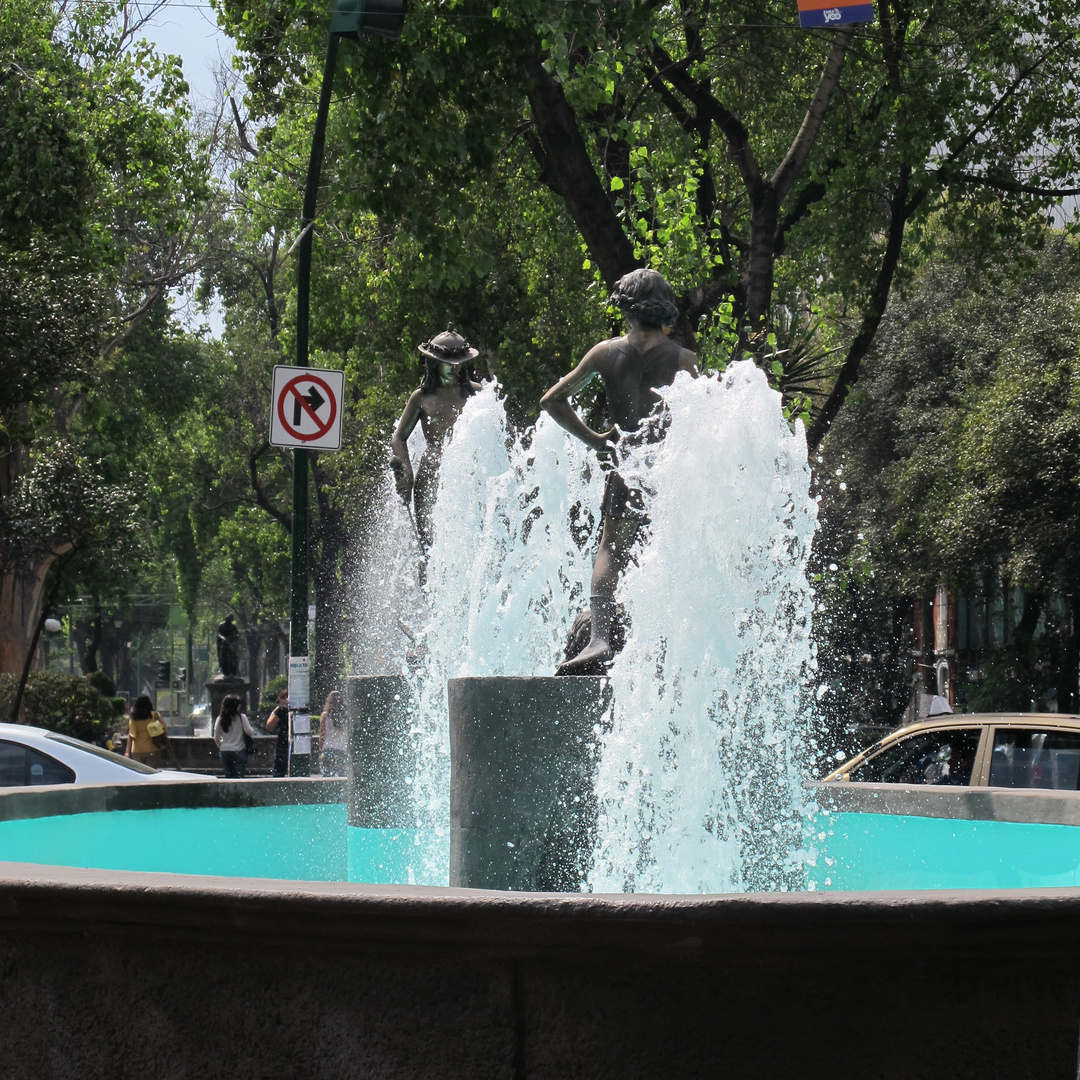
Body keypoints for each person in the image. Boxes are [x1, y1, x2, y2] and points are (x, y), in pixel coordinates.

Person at [540, 268, 698, 675]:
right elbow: (701, 422)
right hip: (669, 473)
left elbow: (552, 400)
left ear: (626, 305)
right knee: (670, 547)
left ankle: (601, 638)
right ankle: (669, 634)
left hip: (627, 465)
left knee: (611, 547)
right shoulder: (684, 360)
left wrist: (595, 439)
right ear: (663, 306)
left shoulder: (605, 353)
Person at [390, 328, 482, 574]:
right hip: (431, 476)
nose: (454, 368)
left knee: (472, 547)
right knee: (431, 548)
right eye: (447, 364)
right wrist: (407, 472)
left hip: (468, 479)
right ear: (434, 364)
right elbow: (399, 438)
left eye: (459, 364)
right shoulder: (421, 398)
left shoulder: (477, 394)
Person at [125, 694, 182, 769]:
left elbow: (131, 736)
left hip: (137, 751)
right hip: (153, 749)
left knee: (140, 774)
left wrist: (127, 752)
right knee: (151, 773)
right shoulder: (155, 715)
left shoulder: (133, 718)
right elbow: (165, 730)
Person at [213, 693, 255, 779]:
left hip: (225, 751)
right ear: (236, 706)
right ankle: (238, 793)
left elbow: (216, 737)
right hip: (239, 750)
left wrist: (222, 746)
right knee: (239, 778)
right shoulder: (241, 717)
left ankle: (229, 792)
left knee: (228, 777)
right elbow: (249, 732)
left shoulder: (220, 718)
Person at [318, 690, 347, 777]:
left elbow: (322, 735)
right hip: (342, 750)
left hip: (328, 750)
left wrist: (320, 750)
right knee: (342, 778)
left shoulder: (325, 716)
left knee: (327, 778)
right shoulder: (346, 716)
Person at [266, 686, 290, 778]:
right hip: (296, 745)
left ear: (284, 698)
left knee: (278, 774)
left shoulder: (281, 710)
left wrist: (275, 711)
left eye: (280, 700)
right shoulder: (298, 710)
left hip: (282, 745)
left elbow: (269, 726)